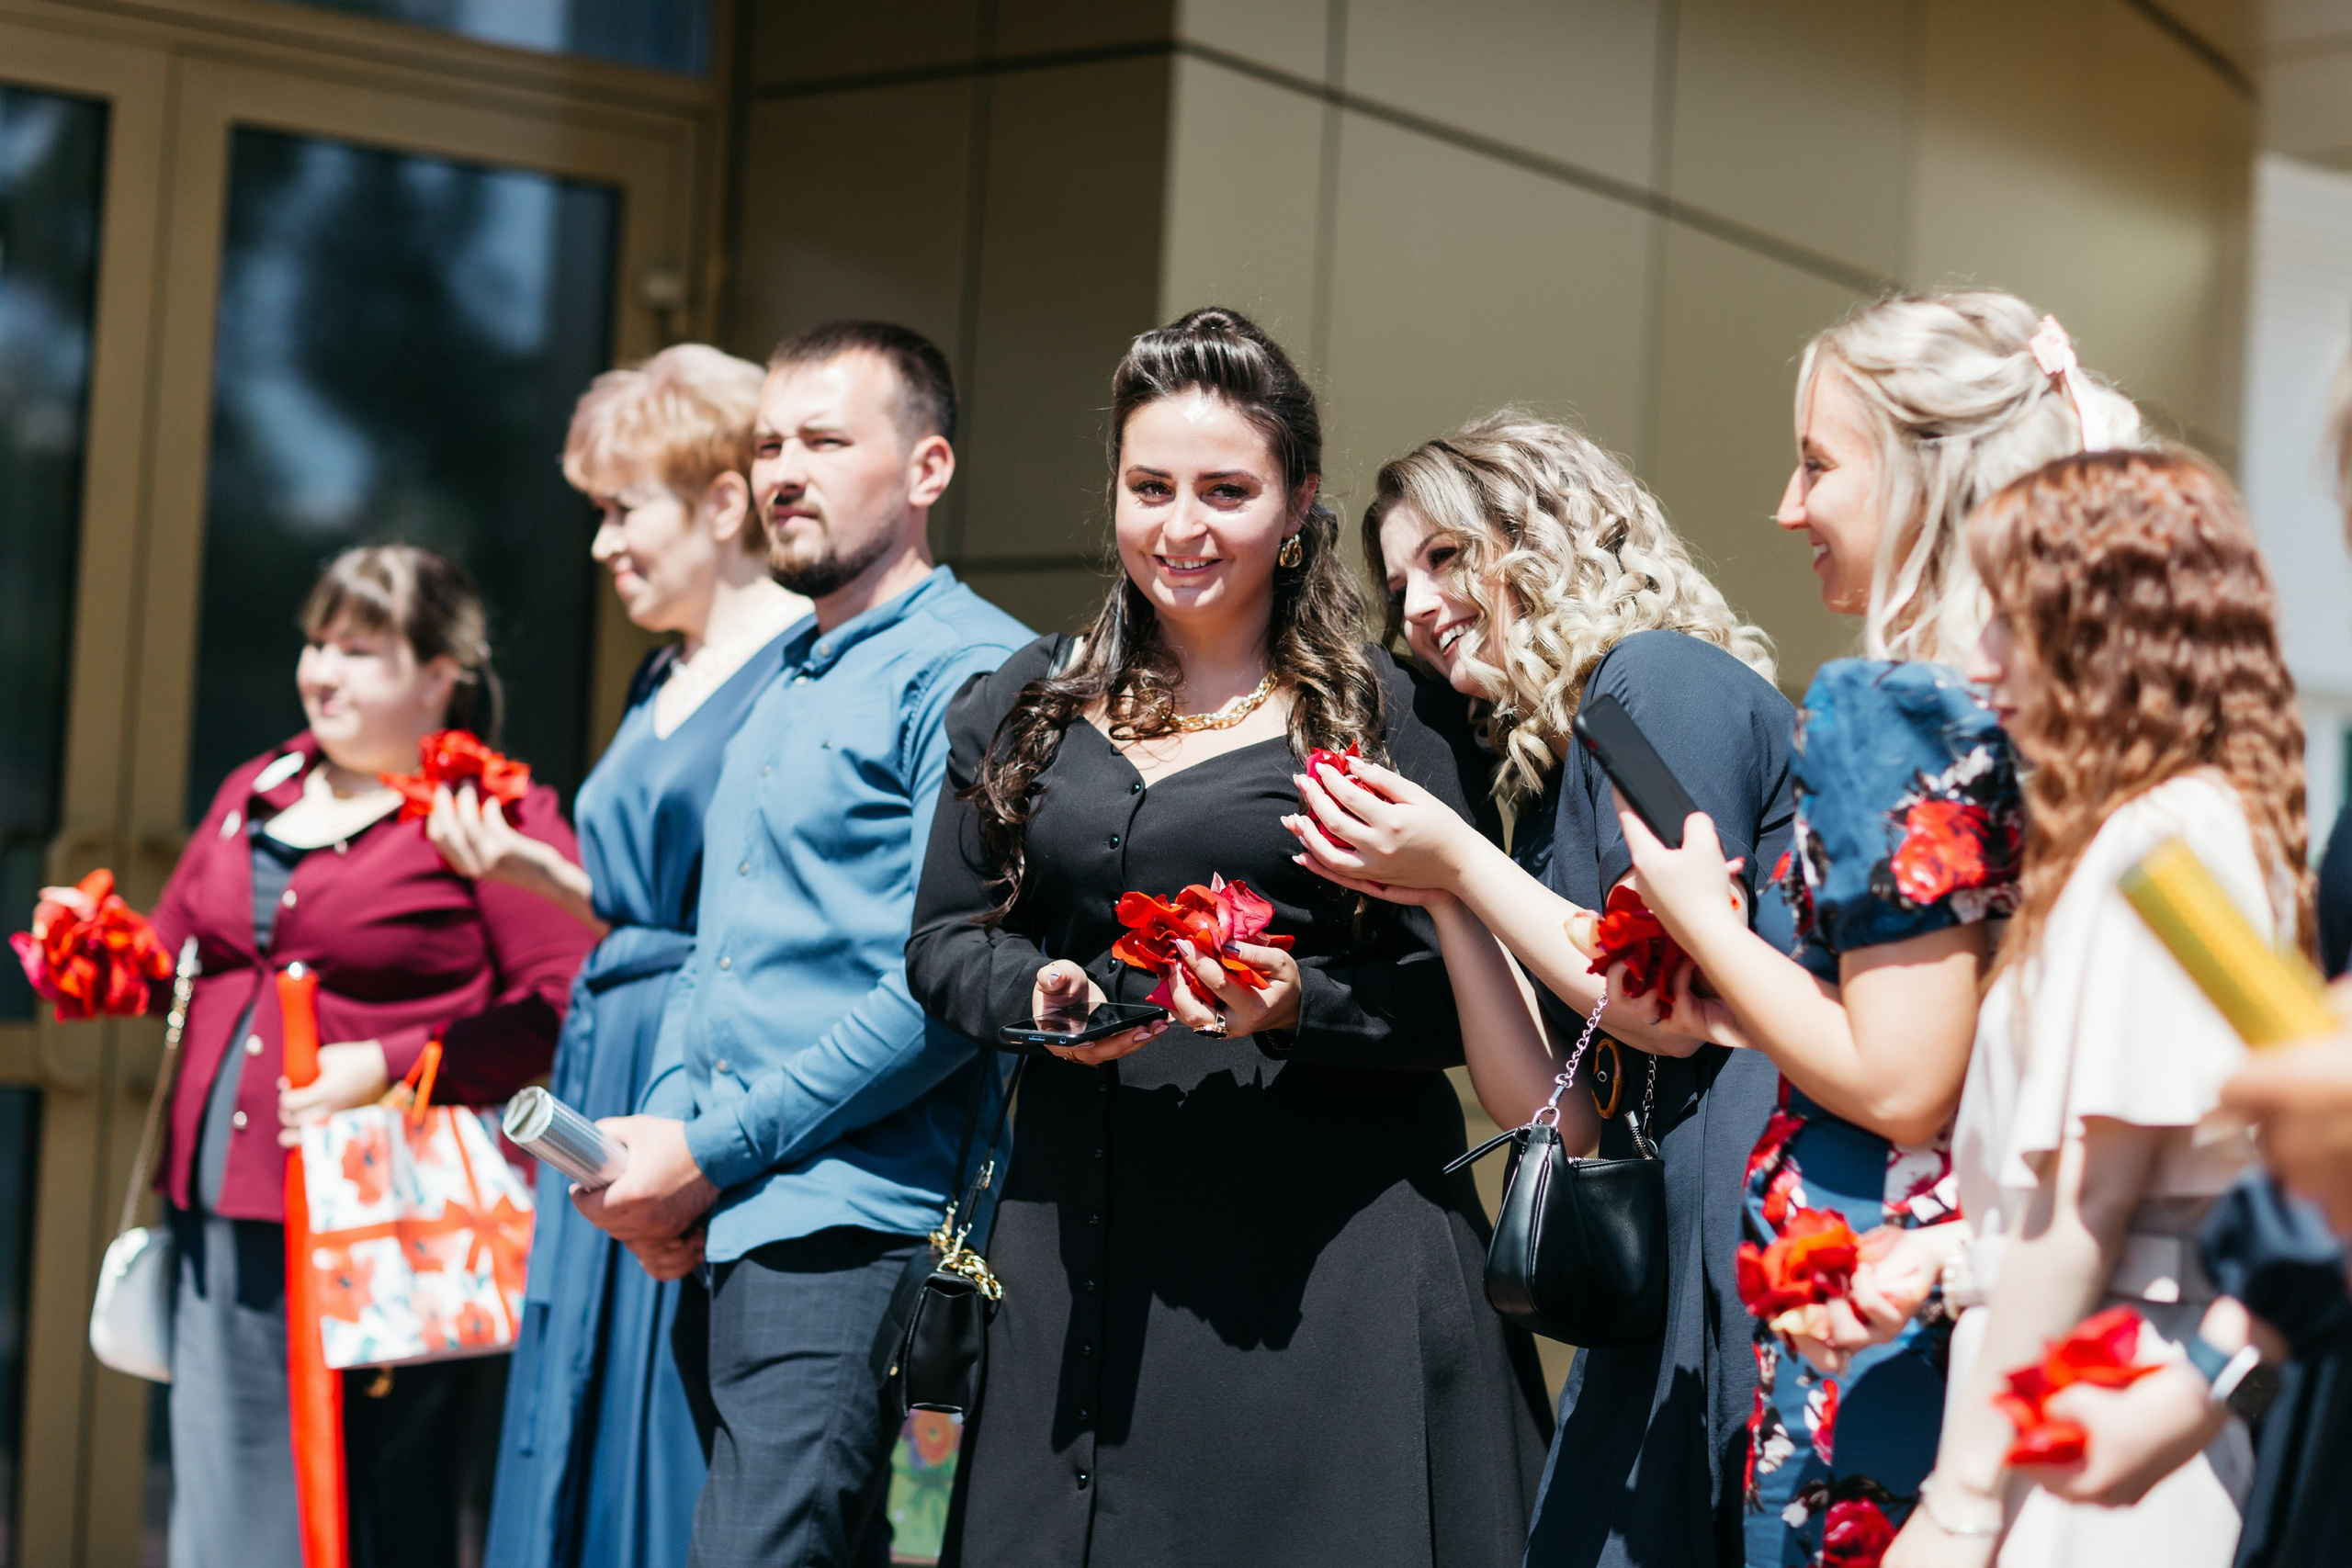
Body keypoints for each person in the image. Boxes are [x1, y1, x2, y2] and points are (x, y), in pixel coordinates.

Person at [905, 308, 1553, 1568]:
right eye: (1150, 487)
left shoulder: (1391, 715)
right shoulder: (1028, 701)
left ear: (1301, 502)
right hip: (1078, 1244)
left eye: (1227, 490)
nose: (1181, 527)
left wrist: (1297, 998)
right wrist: (1033, 989)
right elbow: (943, 940)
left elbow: (1457, 997)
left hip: (1326, 1261)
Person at [1610, 292, 2141, 1563]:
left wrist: (1700, 915)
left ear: (1917, 474)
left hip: (1880, 1308)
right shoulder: (2062, 710)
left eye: (1817, 462)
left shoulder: (1894, 709)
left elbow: (1901, 1081)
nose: (1789, 508)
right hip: (1994, 1284)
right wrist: (1736, 998)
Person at [1282, 410, 1793, 1566]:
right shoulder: (1548, 777)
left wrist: (1461, 861)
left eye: (1445, 556)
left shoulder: (1658, 681)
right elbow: (1547, 1114)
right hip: (1650, 1271)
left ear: (1548, 531)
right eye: (1398, 577)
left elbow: (1668, 1009)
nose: (1414, 605)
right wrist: (1447, 894)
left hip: (1745, 1226)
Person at [570, 320, 1028, 1567]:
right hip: (729, 1220)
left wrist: (705, 1152)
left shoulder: (976, 672)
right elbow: (712, 950)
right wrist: (660, 1141)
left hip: (853, 1236)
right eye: (769, 442)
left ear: (927, 469)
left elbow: (940, 990)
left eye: (826, 440)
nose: (785, 469)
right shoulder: (788, 670)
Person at [1872, 449, 2302, 1566]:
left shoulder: (2161, 837)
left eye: (2015, 621)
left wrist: (1959, 1504)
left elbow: (2090, 1206)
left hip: (2091, 1399)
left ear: (2112, 635)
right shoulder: (2185, 824)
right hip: (2078, 1375)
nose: (1982, 661)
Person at [151, 545, 598, 1568]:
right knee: (232, 1502)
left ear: (439, 673)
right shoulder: (258, 787)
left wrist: (396, 1061)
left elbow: (572, 999)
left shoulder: (485, 815)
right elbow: (173, 955)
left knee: (375, 1507)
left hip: (388, 1227)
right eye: (317, 642)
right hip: (228, 1203)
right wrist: (89, 958)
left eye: (361, 649)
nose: (324, 671)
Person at [445, 345, 810, 1568]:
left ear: (720, 502)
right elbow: (651, 888)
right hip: (612, 1047)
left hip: (695, 1067)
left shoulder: (798, 667)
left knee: (664, 1414)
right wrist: (549, 879)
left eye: (620, 508)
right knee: (577, 1393)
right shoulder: (666, 669)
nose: (601, 543)